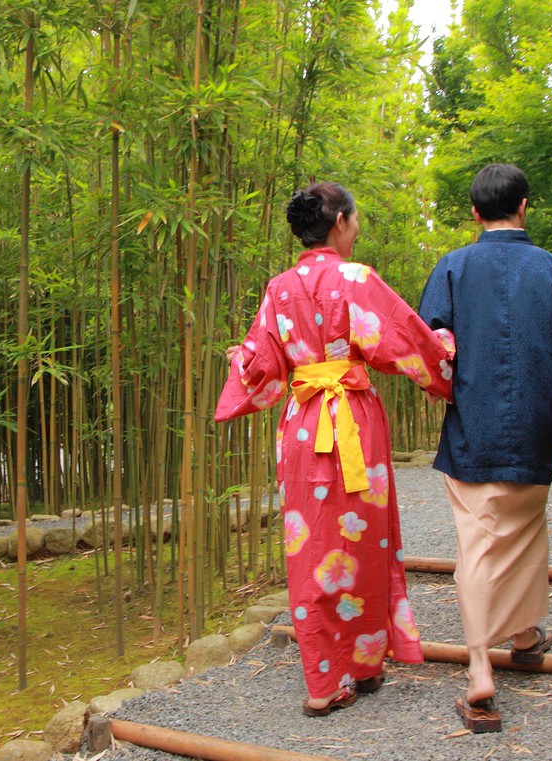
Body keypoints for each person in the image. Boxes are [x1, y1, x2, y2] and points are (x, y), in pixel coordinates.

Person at [215, 181, 455, 716]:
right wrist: (446, 354)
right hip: (353, 420)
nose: (357, 227)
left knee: (311, 548)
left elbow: (261, 364)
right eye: (356, 218)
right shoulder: (356, 278)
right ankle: (354, 667)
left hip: (302, 425)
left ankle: (340, 671)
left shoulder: (279, 287)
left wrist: (240, 360)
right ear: (341, 221)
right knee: (365, 541)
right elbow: (404, 340)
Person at [418, 163, 552, 733]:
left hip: (474, 424)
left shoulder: (452, 267)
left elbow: (431, 347)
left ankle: (483, 668)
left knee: (478, 542)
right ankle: (522, 638)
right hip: (536, 426)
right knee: (526, 529)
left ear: (475, 213)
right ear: (525, 206)